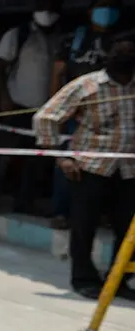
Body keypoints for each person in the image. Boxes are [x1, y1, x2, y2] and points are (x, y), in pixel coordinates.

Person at [34, 38, 135, 301]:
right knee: (84, 225)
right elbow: (45, 118)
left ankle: (119, 279)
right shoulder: (87, 86)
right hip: (91, 167)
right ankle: (83, 278)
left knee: (128, 229)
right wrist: (62, 157)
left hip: (129, 169)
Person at [0, 0, 64, 217]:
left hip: (46, 110)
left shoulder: (62, 38)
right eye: (43, 8)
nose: (47, 13)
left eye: (52, 9)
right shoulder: (18, 35)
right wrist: (4, 97)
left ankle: (24, 202)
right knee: (2, 156)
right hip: (17, 104)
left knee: (36, 161)